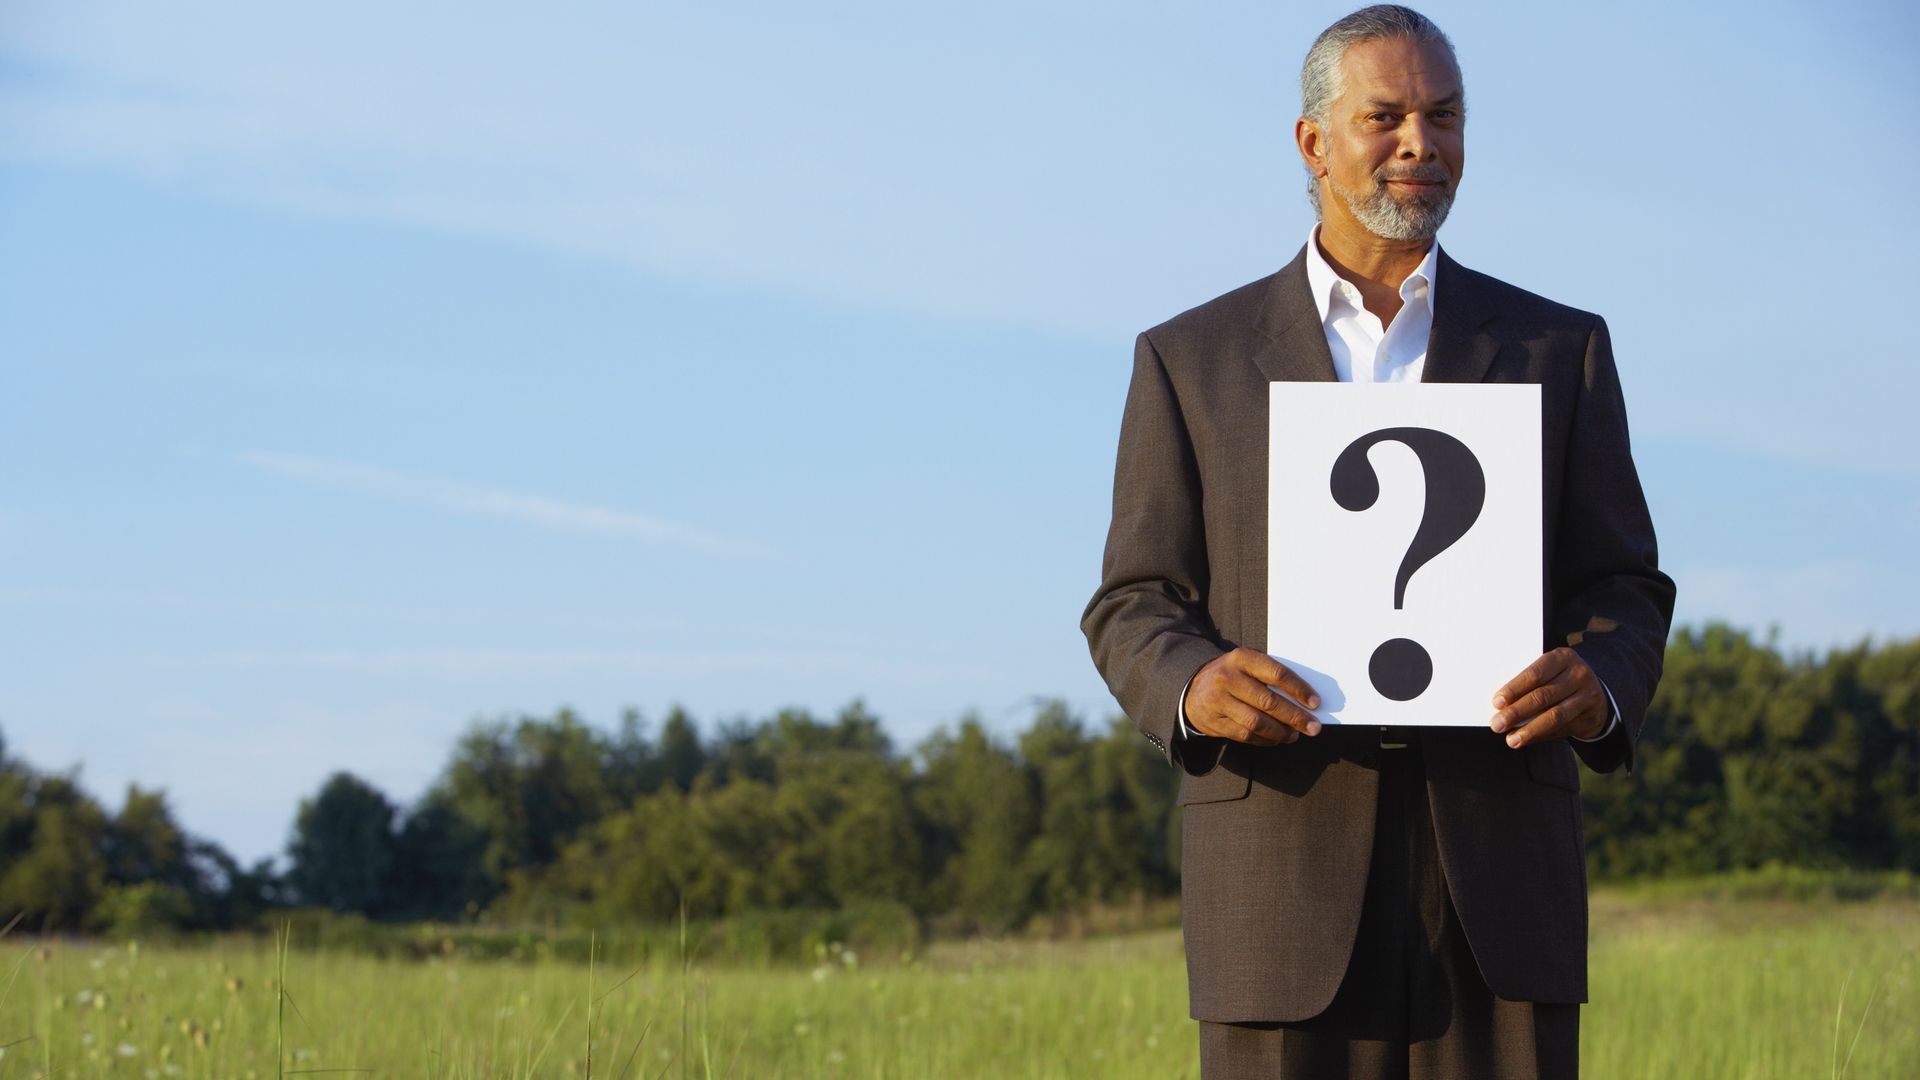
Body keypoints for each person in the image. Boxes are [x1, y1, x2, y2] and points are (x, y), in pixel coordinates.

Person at [1080, 6, 1675, 1077]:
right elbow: (1134, 601)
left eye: (1444, 116)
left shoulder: (1559, 348)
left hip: (1502, 881)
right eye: (1387, 116)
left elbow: (1625, 585)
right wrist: (1193, 684)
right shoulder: (1189, 359)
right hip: (1277, 877)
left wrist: (1599, 678)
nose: (1421, 142)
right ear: (1313, 143)